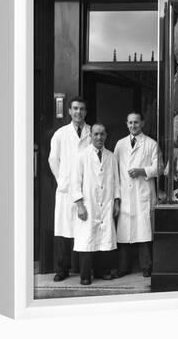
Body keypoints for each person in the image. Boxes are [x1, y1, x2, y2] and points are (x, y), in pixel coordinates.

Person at [70, 124, 120, 285]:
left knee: (104, 239)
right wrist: (80, 205)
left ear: (106, 136)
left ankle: (102, 271)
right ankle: (85, 275)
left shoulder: (111, 156)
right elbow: (75, 183)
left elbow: (116, 181)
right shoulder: (82, 156)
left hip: (106, 203)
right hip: (88, 204)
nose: (99, 137)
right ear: (90, 136)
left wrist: (117, 201)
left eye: (102, 134)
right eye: (96, 134)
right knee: (87, 239)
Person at [48, 96, 91, 282]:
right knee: (64, 231)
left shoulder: (92, 132)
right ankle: (62, 269)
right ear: (69, 111)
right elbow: (52, 159)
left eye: (82, 109)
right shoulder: (60, 134)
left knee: (85, 231)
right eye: (75, 108)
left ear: (85, 112)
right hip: (66, 191)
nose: (78, 112)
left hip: (85, 189)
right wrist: (62, 181)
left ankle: (85, 272)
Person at [114, 112, 161, 278]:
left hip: (143, 193)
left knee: (143, 232)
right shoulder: (120, 145)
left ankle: (146, 266)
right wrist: (117, 198)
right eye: (130, 123)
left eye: (136, 122)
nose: (133, 125)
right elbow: (115, 172)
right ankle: (123, 267)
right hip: (126, 195)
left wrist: (142, 171)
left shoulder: (151, 144)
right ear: (126, 124)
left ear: (142, 123)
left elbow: (159, 168)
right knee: (124, 233)